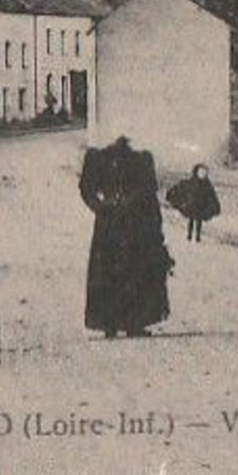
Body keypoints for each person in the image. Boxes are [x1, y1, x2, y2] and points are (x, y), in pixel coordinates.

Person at [79, 137, 173, 338]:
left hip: (135, 222)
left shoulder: (142, 157)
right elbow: (86, 187)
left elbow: (149, 191)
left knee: (135, 269)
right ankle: (108, 322)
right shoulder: (98, 156)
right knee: (108, 269)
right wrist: (101, 206)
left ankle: (135, 322)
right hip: (109, 224)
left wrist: (150, 221)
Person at [165, 164, 221, 242]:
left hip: (201, 205)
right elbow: (183, 188)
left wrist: (214, 205)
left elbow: (211, 195)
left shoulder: (207, 184)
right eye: (201, 173)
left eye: (204, 173)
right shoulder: (192, 182)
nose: (202, 174)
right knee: (191, 220)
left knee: (199, 221)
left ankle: (197, 236)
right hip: (192, 204)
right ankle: (189, 235)